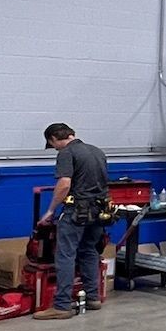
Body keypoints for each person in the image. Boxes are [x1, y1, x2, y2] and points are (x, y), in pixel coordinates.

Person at [36, 123, 112, 319]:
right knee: (89, 251)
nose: (55, 148)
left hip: (77, 211)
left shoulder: (66, 153)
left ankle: (61, 306)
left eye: (53, 144)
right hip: (99, 210)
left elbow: (64, 184)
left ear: (54, 138)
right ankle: (93, 298)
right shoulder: (97, 151)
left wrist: (51, 210)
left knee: (65, 255)